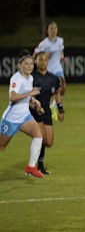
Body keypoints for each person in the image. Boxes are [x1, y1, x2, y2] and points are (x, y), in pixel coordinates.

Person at [0, 50, 45, 178]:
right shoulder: (16, 78)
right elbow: (13, 97)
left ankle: (31, 167)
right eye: (26, 64)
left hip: (25, 116)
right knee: (1, 146)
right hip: (11, 119)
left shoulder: (30, 78)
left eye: (31, 63)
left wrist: (35, 103)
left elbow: (25, 98)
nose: (29, 66)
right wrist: (31, 94)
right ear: (19, 65)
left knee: (38, 135)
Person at [31, 51, 64, 174]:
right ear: (35, 61)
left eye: (45, 60)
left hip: (47, 112)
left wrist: (60, 109)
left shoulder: (53, 78)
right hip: (35, 111)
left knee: (49, 142)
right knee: (41, 138)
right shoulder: (32, 78)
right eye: (40, 59)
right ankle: (37, 165)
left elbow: (57, 93)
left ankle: (37, 164)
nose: (43, 62)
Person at [34, 21, 67, 96]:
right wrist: (45, 56)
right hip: (47, 69)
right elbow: (35, 55)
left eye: (55, 28)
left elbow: (61, 51)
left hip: (57, 67)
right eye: (51, 28)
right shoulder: (44, 43)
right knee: (47, 90)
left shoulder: (60, 40)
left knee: (63, 84)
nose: (53, 30)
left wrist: (62, 57)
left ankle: (56, 104)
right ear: (47, 30)